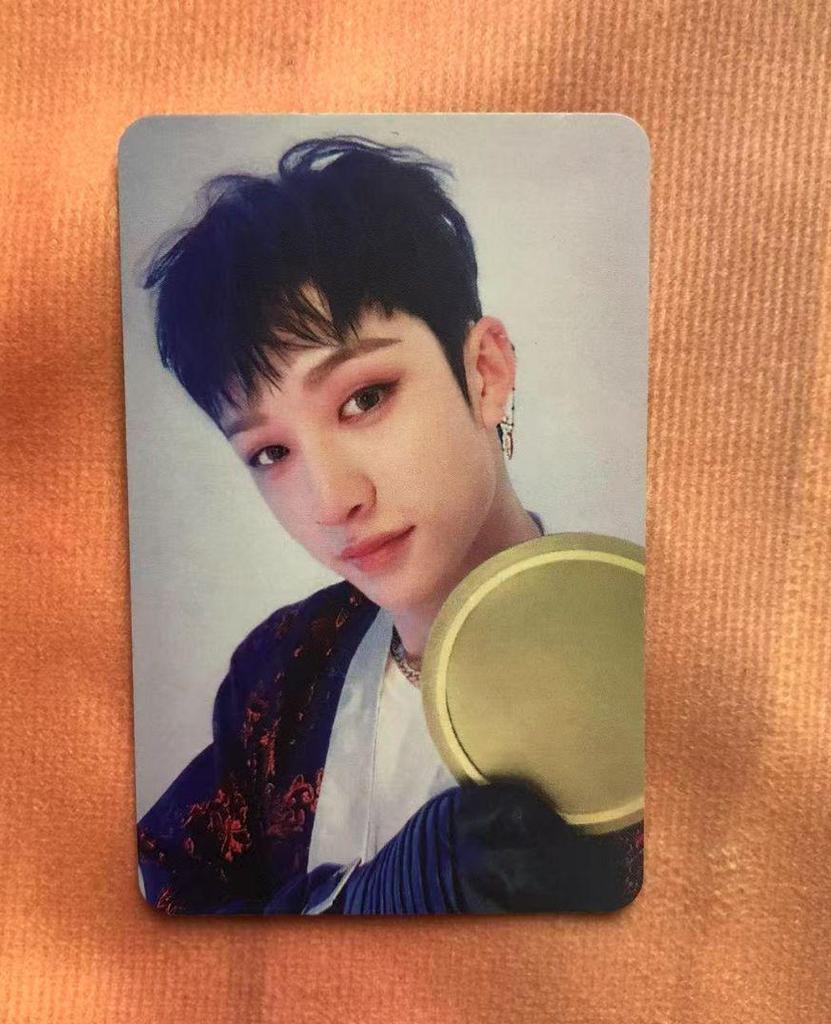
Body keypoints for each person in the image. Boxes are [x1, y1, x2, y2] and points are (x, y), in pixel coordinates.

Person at [135, 136, 643, 914]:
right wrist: (364, 903)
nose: (331, 501)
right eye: (271, 452)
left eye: (364, 398)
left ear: (485, 371)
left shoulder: (651, 654)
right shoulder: (281, 674)